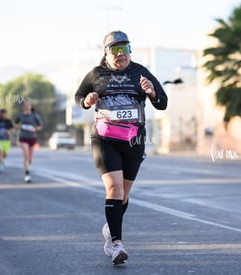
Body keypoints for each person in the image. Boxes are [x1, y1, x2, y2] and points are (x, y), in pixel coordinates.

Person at [74, 30, 168, 266]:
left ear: (130, 51)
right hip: (105, 140)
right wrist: (87, 101)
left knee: (123, 196)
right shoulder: (96, 74)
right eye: (115, 50)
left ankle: (111, 226)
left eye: (125, 49)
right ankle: (116, 245)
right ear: (106, 52)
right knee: (114, 188)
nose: (120, 55)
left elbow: (163, 102)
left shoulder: (140, 72)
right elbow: (79, 97)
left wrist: (152, 91)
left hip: (134, 140)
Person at [15, 101, 42, 183]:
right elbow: (15, 124)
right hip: (23, 137)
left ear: (30, 107)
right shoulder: (20, 116)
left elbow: (40, 126)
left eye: (28, 105)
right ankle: (27, 175)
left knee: (30, 158)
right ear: (23, 107)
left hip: (32, 137)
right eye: (25, 106)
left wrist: (35, 129)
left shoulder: (34, 116)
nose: (26, 107)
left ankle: (28, 165)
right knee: (26, 156)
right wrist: (18, 126)